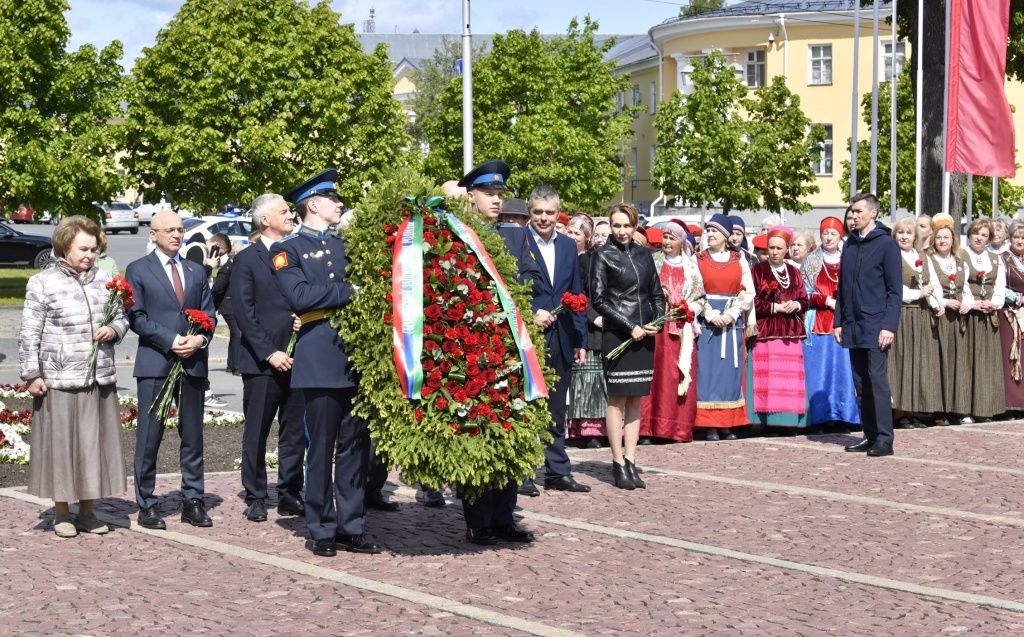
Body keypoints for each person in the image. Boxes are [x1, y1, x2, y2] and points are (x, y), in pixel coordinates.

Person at [271, 168, 381, 556]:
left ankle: (352, 524)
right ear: (313, 204)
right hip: (319, 355)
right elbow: (300, 295)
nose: (340, 204)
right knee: (319, 448)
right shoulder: (288, 249)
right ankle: (320, 526)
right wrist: (347, 291)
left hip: (353, 355)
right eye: (333, 199)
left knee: (354, 446)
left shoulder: (344, 245)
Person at [19, 216, 127, 537]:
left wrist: (113, 329)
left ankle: (89, 511)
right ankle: (62, 513)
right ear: (65, 245)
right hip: (59, 379)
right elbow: (29, 333)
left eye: (94, 249)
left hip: (98, 377)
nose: (90, 255)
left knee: (93, 446)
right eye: (83, 249)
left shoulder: (105, 279)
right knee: (62, 447)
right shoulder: (43, 282)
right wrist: (31, 373)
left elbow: (121, 316)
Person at [456, 159, 541, 544]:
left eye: (500, 193)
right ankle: (477, 519)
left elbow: (531, 278)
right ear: (470, 195)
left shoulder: (513, 237)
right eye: (489, 193)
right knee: (477, 430)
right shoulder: (459, 235)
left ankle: (504, 516)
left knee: (510, 427)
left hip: (512, 346)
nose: (496, 199)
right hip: (475, 347)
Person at [126, 210, 217, 529]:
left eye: (180, 229)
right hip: (156, 363)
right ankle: (147, 502)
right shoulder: (138, 270)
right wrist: (173, 339)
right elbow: (136, 316)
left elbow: (210, 315)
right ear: (153, 234)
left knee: (193, 436)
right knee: (150, 436)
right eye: (169, 230)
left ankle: (193, 499)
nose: (177, 235)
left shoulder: (195, 270)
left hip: (192, 364)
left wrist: (200, 340)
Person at [230, 193, 308, 522]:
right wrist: (270, 351)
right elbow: (243, 313)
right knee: (258, 430)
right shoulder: (247, 259)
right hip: (263, 362)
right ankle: (257, 494)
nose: (291, 215)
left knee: (293, 432)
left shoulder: (297, 253)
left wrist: (305, 316)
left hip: (299, 357)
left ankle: (290, 492)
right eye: (284, 211)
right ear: (265, 220)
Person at [591, 203, 665, 489]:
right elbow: (599, 300)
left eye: (626, 225)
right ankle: (618, 461)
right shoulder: (602, 256)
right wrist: (628, 325)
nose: (621, 231)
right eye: (616, 225)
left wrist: (655, 322)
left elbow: (656, 294)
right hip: (618, 334)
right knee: (617, 399)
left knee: (636, 399)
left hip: (644, 335)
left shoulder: (644, 256)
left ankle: (632, 459)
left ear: (635, 226)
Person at [525, 185, 590, 492]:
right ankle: (522, 473)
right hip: (529, 336)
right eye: (538, 212)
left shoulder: (567, 246)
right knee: (526, 404)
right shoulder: (517, 242)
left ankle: (557, 470)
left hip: (562, 336)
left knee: (556, 408)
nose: (544, 218)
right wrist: (531, 312)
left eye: (549, 212)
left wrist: (581, 339)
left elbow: (576, 293)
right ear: (530, 212)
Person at [836, 193, 901, 457]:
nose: (853, 216)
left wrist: (889, 326)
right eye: (851, 212)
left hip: (877, 323)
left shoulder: (886, 244)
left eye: (858, 211)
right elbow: (842, 288)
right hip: (853, 323)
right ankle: (870, 434)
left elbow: (894, 291)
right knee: (860, 383)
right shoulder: (850, 244)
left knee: (877, 381)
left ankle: (885, 439)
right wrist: (839, 321)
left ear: (873, 213)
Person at [640, 220, 703, 443]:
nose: (667, 242)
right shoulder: (652, 261)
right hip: (656, 327)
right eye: (665, 237)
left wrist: (688, 309)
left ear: (681, 241)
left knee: (675, 375)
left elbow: (700, 299)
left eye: (672, 238)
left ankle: (675, 428)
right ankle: (647, 428)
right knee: (654, 375)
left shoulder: (692, 267)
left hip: (680, 329)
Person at [694, 214, 755, 441]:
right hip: (707, 321)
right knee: (708, 373)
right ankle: (709, 424)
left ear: (726, 236)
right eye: (708, 230)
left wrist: (732, 313)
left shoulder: (738, 260)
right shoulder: (698, 259)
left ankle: (728, 423)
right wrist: (710, 313)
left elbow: (747, 291)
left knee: (730, 373)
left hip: (731, 323)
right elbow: (694, 289)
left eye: (715, 231)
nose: (710, 234)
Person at [801, 216, 860, 431]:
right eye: (825, 233)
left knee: (843, 373)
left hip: (845, 323)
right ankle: (820, 418)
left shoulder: (849, 258)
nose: (828, 237)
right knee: (819, 372)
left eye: (833, 233)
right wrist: (826, 300)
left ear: (840, 236)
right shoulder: (811, 260)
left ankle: (844, 416)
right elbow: (804, 293)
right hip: (818, 324)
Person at [748, 227, 809, 431]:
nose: (774, 252)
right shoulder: (758, 270)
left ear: (787, 250)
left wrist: (797, 305)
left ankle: (789, 420)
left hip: (791, 330)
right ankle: (766, 420)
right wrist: (775, 307)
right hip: (767, 329)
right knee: (768, 377)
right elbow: (752, 300)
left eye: (778, 248)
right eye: (771, 247)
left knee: (788, 378)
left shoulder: (794, 271)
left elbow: (804, 298)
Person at [887, 217, 944, 427]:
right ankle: (898, 412)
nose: (904, 236)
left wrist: (937, 303)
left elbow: (933, 283)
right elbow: (892, 287)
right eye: (900, 232)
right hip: (902, 313)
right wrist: (917, 293)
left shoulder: (922, 257)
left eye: (908, 233)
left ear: (915, 236)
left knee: (917, 362)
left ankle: (911, 411)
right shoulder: (893, 256)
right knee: (901, 362)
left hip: (921, 315)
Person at [565, 215, 608, 446]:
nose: (572, 237)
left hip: (592, 324)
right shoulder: (569, 259)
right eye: (569, 232)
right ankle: (576, 428)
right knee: (578, 378)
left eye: (577, 233)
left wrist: (596, 317)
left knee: (592, 378)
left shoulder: (590, 261)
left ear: (587, 238)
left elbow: (594, 295)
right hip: (574, 322)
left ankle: (594, 430)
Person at [959, 218, 1007, 422]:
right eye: (976, 233)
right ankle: (965, 410)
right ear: (969, 234)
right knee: (967, 361)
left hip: (988, 316)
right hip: (969, 315)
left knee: (986, 362)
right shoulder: (961, 255)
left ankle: (985, 408)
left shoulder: (995, 258)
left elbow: (1000, 286)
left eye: (984, 235)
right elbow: (960, 283)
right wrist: (973, 303)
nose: (979, 237)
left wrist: (994, 303)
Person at [926, 213, 972, 424]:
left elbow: (968, 289)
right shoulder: (930, 260)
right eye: (939, 237)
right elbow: (930, 288)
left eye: (947, 237)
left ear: (953, 240)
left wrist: (967, 303)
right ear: (934, 240)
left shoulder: (961, 262)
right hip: (940, 317)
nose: (943, 241)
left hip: (959, 319)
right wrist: (945, 301)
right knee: (940, 361)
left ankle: (959, 407)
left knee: (958, 362)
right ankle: (939, 409)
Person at [1000, 219, 1024, 414]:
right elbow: (999, 285)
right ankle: (1010, 402)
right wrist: (1017, 297)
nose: (1020, 241)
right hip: (1009, 312)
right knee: (1011, 354)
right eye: (1016, 237)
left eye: (1023, 237)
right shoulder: (1003, 258)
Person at [210, 232, 241, 376]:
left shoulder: (230, 266)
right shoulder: (228, 267)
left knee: (236, 334)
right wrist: (214, 304)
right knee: (238, 334)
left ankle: (231, 364)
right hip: (229, 306)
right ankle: (236, 366)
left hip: (231, 305)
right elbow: (217, 288)